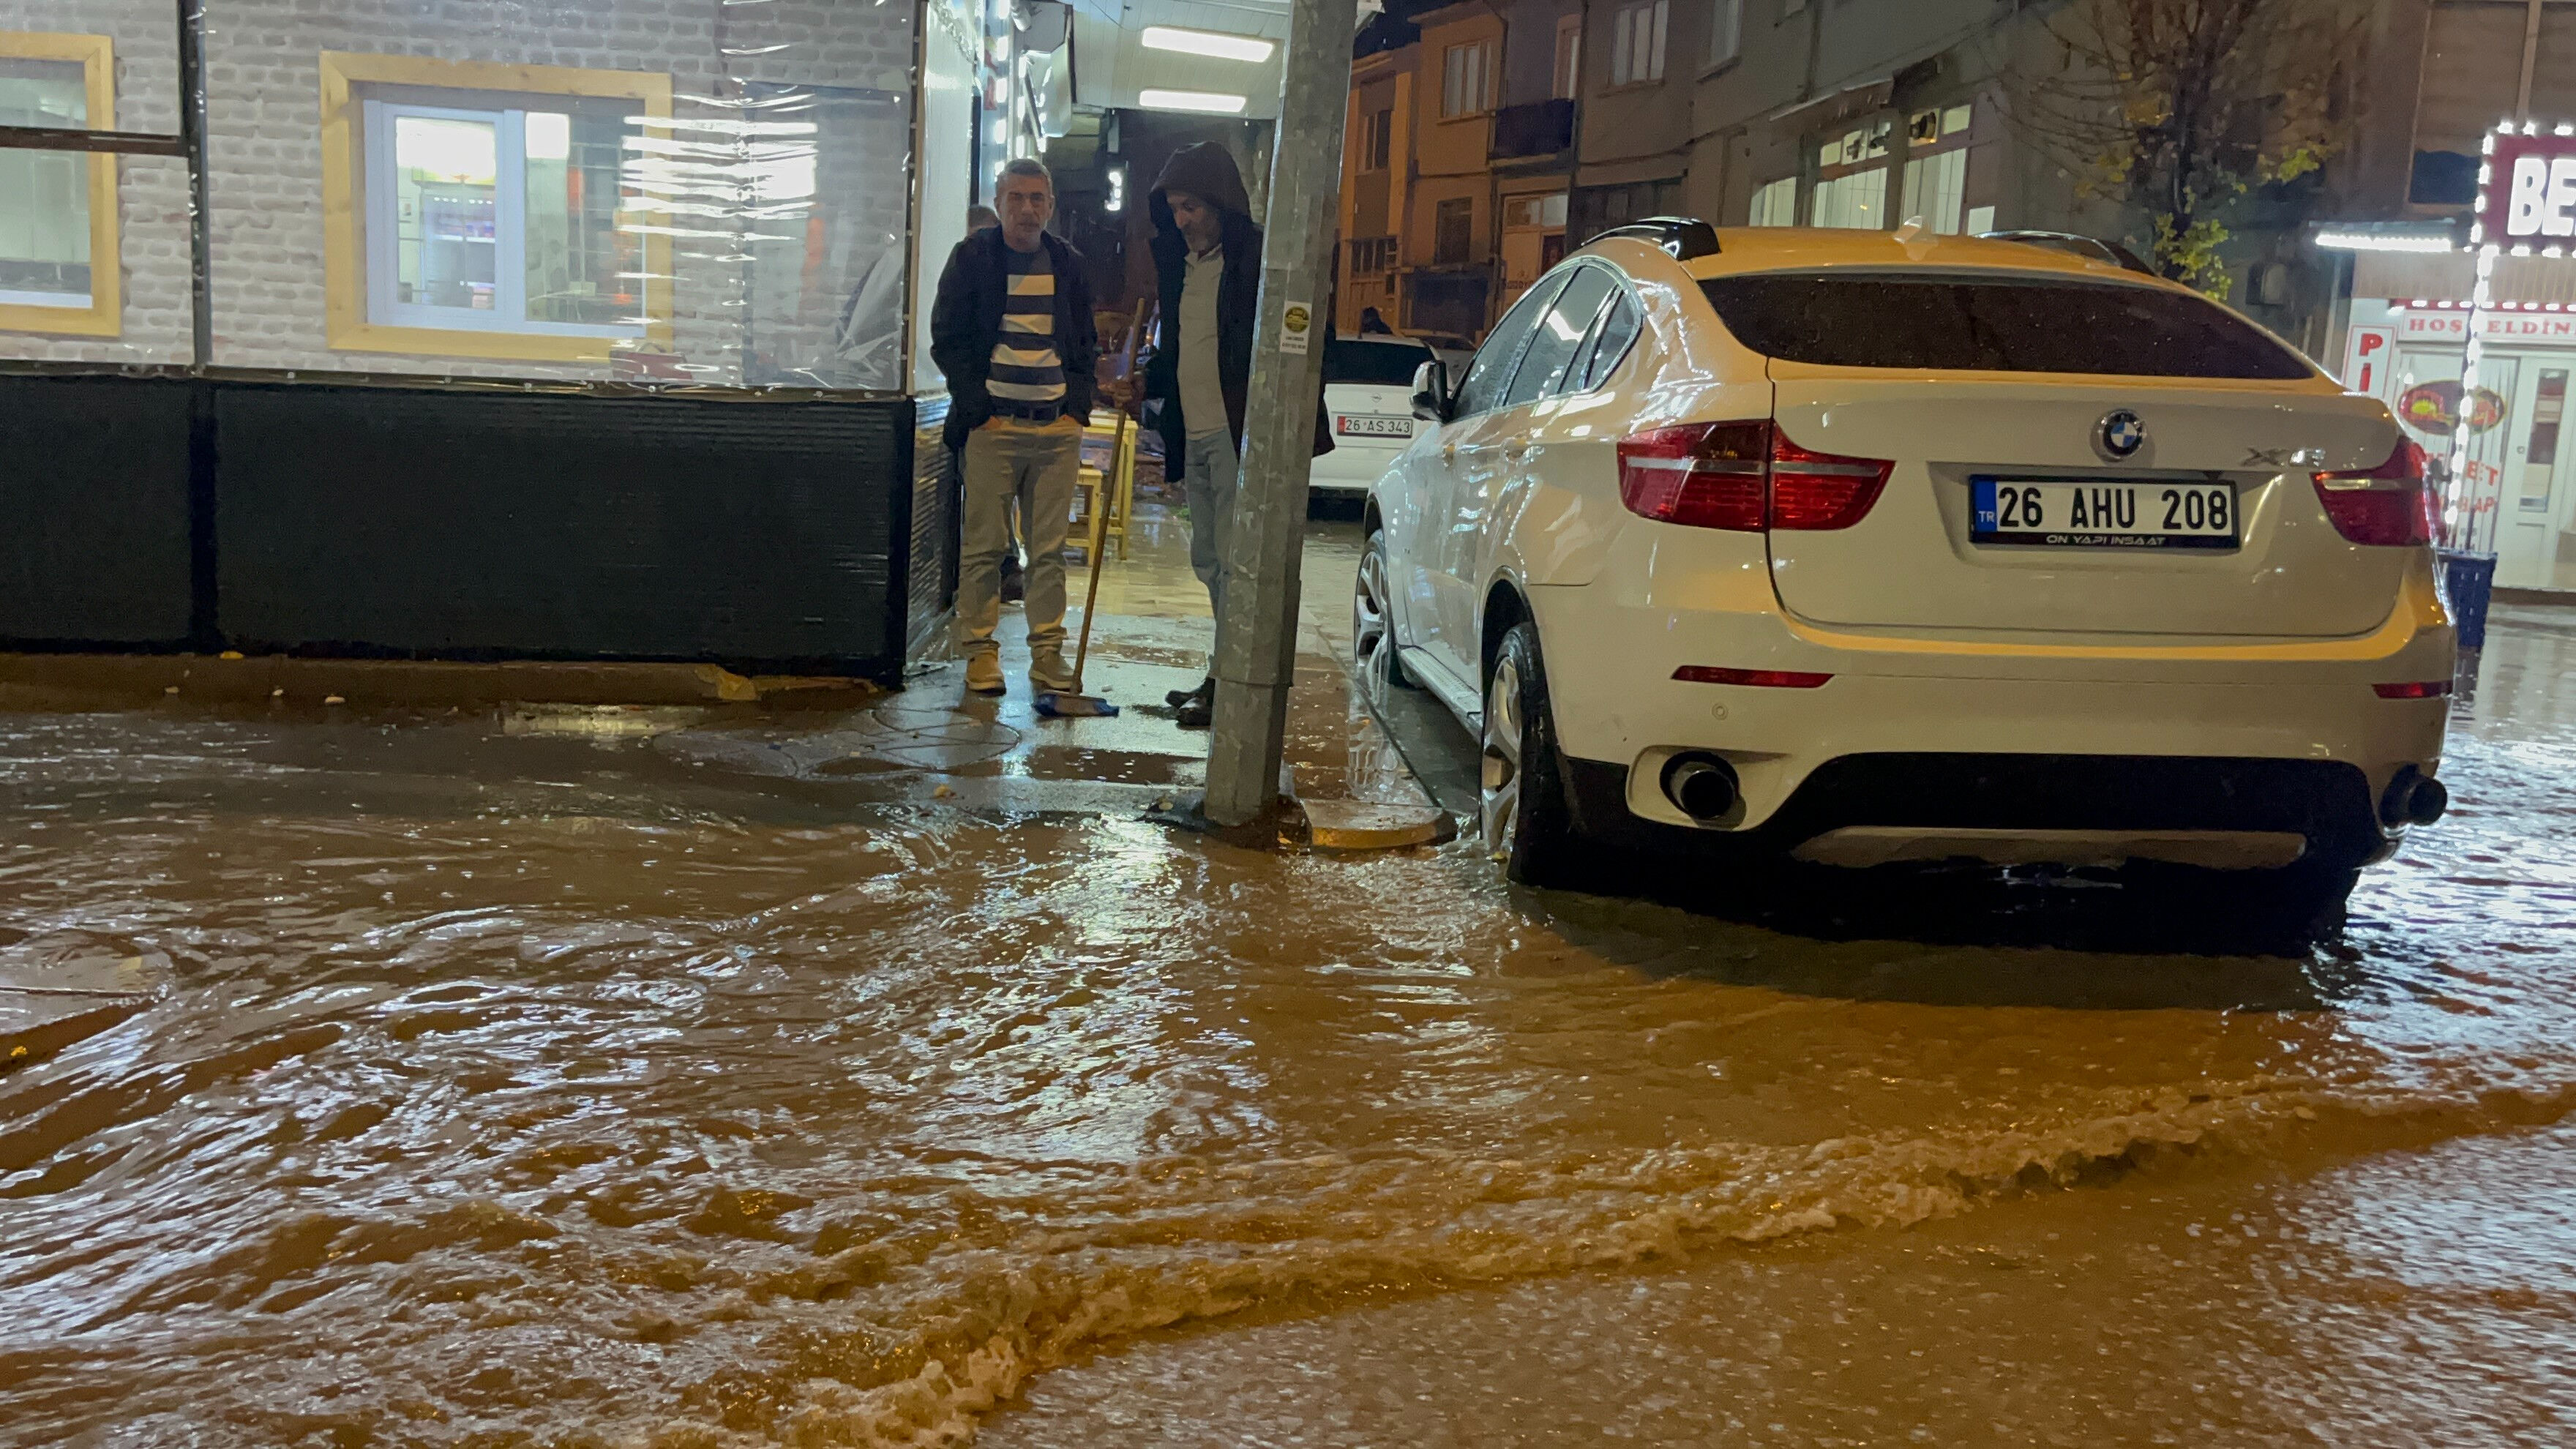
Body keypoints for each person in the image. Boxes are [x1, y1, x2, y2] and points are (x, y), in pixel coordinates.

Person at [1144, 142, 1332, 729]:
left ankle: (1231, 680)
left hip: (1238, 436)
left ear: (1221, 203)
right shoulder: (1183, 265)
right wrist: (1144, 380)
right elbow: (1184, 345)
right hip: (1196, 434)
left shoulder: (1257, 261)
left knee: (1234, 563)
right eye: (1175, 208)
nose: (1182, 220)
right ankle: (1221, 670)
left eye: (1192, 207)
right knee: (1208, 561)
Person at [928, 161, 1098, 696]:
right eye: (1018, 198)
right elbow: (946, 336)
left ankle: (1048, 655)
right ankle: (980, 653)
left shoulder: (1068, 264)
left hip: (1056, 430)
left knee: (1049, 551)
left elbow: (1085, 342)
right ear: (999, 202)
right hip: (994, 429)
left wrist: (1076, 408)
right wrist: (979, 408)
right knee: (985, 546)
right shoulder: (973, 259)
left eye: (1039, 199)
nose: (1029, 209)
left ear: (1051, 205)